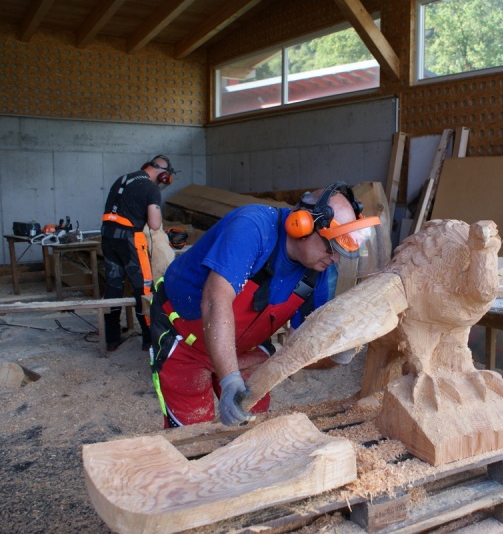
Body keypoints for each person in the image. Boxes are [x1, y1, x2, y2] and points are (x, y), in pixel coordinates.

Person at [148, 181, 382, 428]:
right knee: (193, 433)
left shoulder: (316, 271)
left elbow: (301, 348)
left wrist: (337, 354)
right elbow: (215, 300)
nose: (334, 258)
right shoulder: (252, 227)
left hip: (248, 348)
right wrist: (229, 379)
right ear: (301, 224)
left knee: (254, 427)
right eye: (330, 246)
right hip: (186, 341)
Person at [101, 155, 176, 352]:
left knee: (113, 286)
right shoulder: (150, 188)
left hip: (108, 237)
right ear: (164, 175)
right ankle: (149, 340)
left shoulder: (123, 179)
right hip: (129, 240)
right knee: (143, 288)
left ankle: (111, 339)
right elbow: (154, 224)